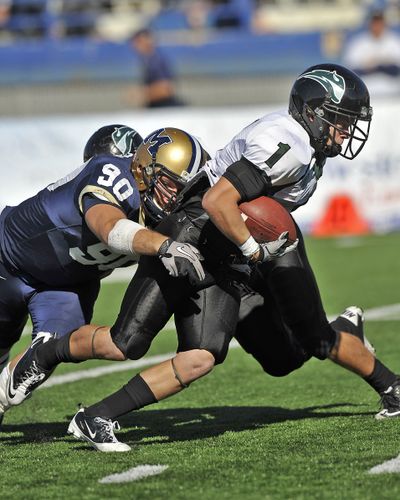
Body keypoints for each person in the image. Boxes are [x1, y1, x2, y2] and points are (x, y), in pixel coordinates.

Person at [4, 64, 400, 454]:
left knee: (249, 354)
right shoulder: (288, 145)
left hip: (234, 249)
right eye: (340, 120)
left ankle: (97, 416)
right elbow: (216, 200)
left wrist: (251, 252)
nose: (346, 131)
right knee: (132, 343)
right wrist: (252, 252)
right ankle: (60, 369)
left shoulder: (307, 151)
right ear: (313, 113)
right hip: (200, 235)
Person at [0, 124, 206, 425]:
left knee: (32, 370)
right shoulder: (110, 172)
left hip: (68, 286)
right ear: (145, 169)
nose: (175, 197)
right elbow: (110, 228)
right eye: (169, 184)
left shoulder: (168, 212)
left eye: (181, 188)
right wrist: (163, 245)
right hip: (8, 259)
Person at [342, 8, 400, 98]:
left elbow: (396, 70)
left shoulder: (395, 41)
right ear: (369, 23)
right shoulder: (357, 43)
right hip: (367, 95)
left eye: (379, 22)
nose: (377, 25)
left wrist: (376, 66)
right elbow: (351, 73)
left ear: (384, 23)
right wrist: (379, 65)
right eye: (374, 22)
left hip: (393, 94)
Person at [130, 28, 185, 108]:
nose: (135, 45)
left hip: (165, 108)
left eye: (139, 41)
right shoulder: (147, 60)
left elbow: (166, 89)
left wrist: (141, 93)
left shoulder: (156, 61)